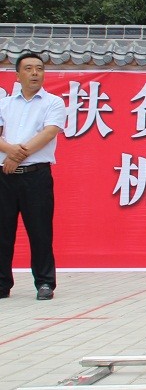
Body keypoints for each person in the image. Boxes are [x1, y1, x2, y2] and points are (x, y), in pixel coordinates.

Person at [0, 52, 67, 301]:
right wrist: (10, 152)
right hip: (4, 176)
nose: (35, 73)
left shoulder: (53, 103)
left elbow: (48, 133)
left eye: (39, 68)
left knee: (40, 231)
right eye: (28, 68)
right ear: (18, 75)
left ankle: (45, 282)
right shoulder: (4, 104)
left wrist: (16, 156)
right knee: (2, 232)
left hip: (36, 176)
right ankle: (2, 283)